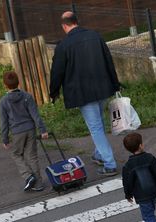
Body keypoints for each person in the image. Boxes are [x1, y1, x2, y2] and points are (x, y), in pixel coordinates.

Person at [49, 11, 121, 176]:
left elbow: (57, 72)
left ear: (64, 26)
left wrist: (54, 92)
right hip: (103, 87)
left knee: (95, 127)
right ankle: (98, 154)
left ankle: (109, 164)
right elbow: (108, 59)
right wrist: (115, 83)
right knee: (99, 122)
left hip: (83, 92)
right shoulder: (95, 36)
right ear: (76, 21)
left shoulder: (64, 45)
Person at [0, 71, 48, 192]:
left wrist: (4, 139)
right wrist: (42, 130)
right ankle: (39, 184)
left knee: (16, 153)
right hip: (31, 129)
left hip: (17, 132)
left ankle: (28, 175)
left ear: (5, 85)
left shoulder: (4, 101)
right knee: (32, 156)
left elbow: (4, 122)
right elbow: (35, 115)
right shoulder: (27, 96)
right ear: (18, 82)